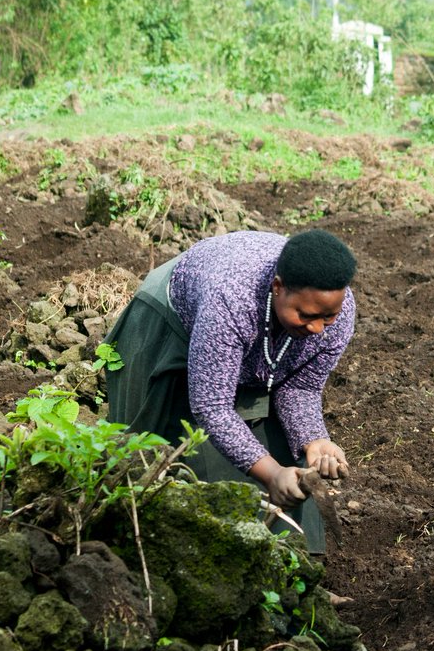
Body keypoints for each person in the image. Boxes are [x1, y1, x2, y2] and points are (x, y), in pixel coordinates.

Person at [106, 229, 356, 555]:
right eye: (307, 315)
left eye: (328, 316)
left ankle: (294, 571)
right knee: (167, 453)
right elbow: (211, 405)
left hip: (237, 318)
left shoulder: (339, 312)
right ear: (277, 288)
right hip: (173, 319)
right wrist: (271, 473)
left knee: (286, 457)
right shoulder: (231, 300)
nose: (318, 328)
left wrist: (313, 438)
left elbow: (299, 386)